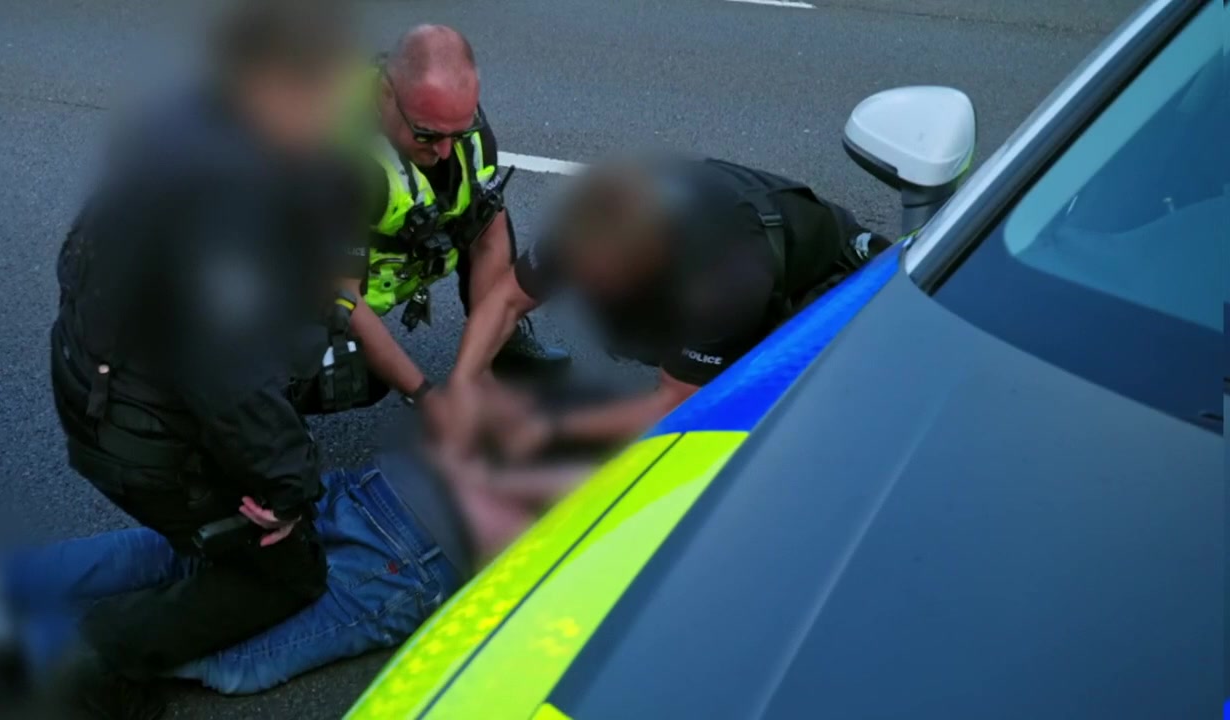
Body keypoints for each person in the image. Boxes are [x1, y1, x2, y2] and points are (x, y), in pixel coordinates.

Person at [46, 0, 361, 714]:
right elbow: (229, 379)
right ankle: (102, 657)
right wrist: (289, 490)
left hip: (94, 379)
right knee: (285, 571)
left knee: (205, 532)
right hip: (139, 431)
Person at [0, 404, 591, 699]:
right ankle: (42, 659)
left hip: (379, 486)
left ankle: (7, 581)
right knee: (245, 659)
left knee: (178, 552)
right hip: (416, 558)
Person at [444, 154, 893, 457]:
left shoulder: (721, 277)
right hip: (708, 264)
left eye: (604, 281)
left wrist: (549, 426)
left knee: (732, 426)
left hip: (834, 293)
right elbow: (506, 299)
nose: (588, 293)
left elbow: (673, 403)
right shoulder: (590, 226)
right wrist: (466, 382)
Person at [329, 24, 569, 415]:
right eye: (427, 135)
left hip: (385, 247)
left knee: (485, 205)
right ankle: (261, 413)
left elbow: (489, 236)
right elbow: (345, 297)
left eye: (457, 133)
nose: (444, 150)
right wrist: (427, 397)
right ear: (386, 94)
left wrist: (478, 370)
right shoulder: (337, 158)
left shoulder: (456, 123)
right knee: (353, 374)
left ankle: (497, 344)